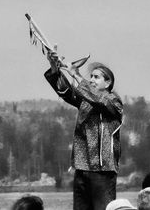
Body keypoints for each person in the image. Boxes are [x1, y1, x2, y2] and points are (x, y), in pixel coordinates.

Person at [44, 49, 123, 210]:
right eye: (91, 77)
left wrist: (76, 75)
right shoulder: (85, 101)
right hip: (81, 168)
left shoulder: (114, 102)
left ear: (108, 83)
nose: (92, 80)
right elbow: (66, 91)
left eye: (96, 77)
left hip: (103, 171)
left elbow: (98, 99)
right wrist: (54, 68)